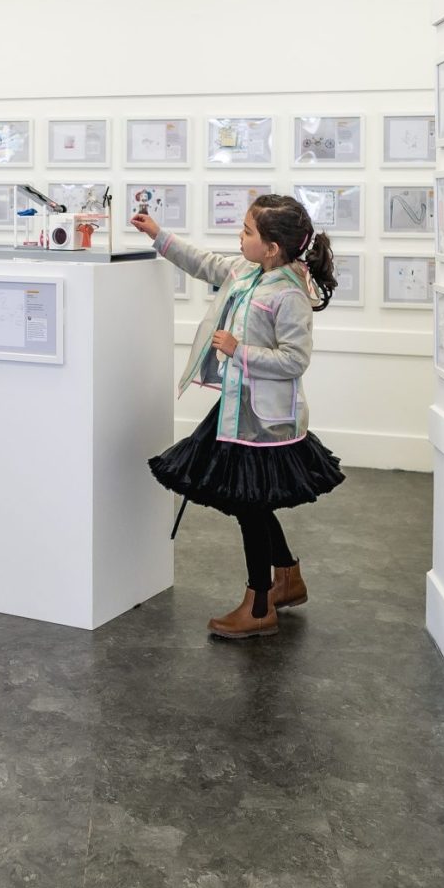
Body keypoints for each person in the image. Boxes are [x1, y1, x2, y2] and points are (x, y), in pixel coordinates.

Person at [131, 194, 345, 640]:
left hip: (265, 424)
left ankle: (260, 605)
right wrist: (159, 236)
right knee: (252, 499)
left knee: (249, 503)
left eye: (247, 231)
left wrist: (238, 350)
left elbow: (294, 360)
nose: (239, 236)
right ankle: (287, 577)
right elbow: (205, 262)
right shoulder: (248, 271)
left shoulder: (289, 294)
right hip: (238, 409)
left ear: (271, 247)